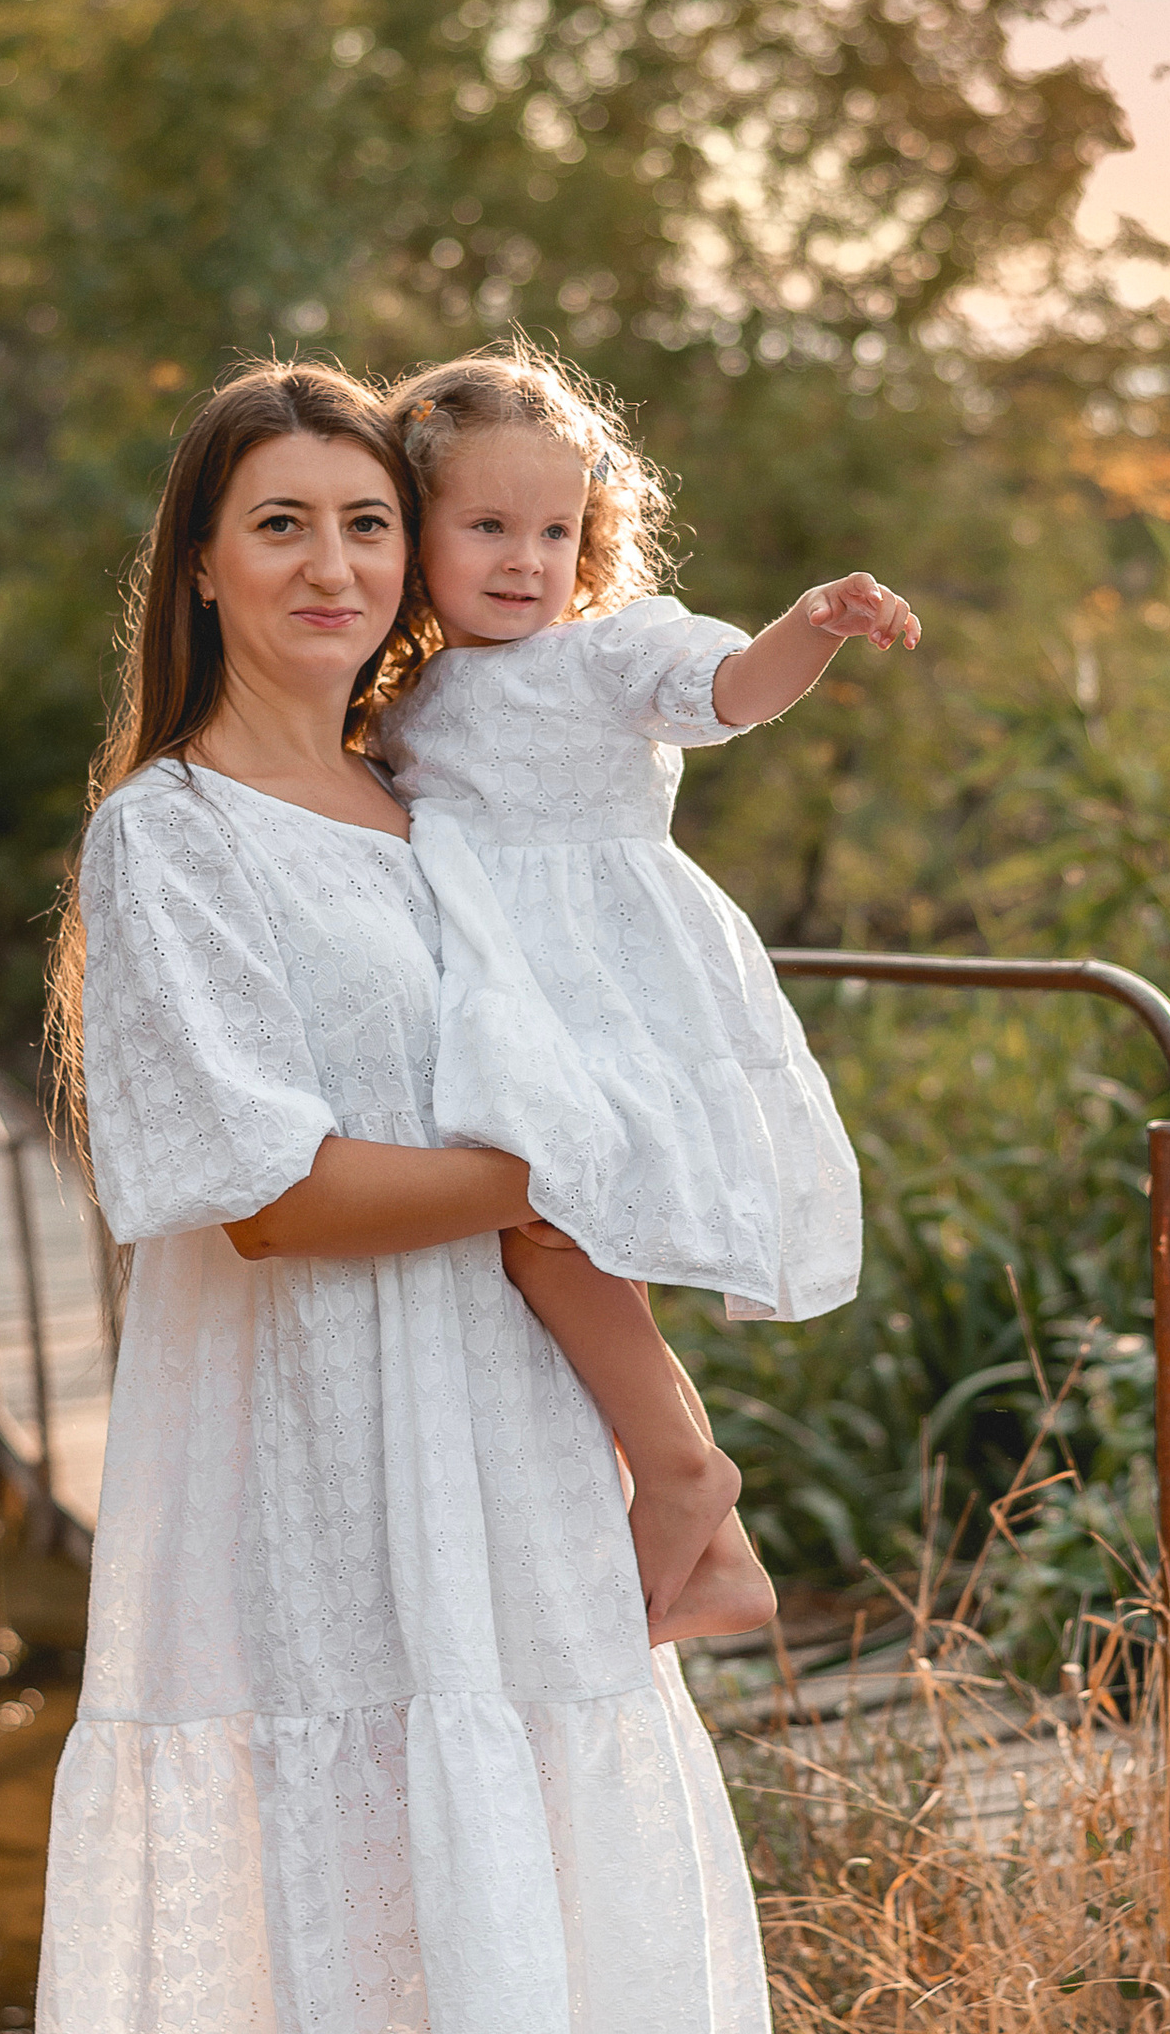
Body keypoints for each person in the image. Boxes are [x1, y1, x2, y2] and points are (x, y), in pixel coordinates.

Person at [29, 360, 777, 2034]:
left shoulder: (435, 802)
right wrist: (551, 1166)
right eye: (281, 526)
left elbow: (579, 1051)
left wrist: (658, 1406)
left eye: (367, 526)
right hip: (292, 1449)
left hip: (495, 1427)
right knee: (307, 1913)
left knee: (500, 1899)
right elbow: (259, 1188)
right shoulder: (165, 835)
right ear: (198, 564)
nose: (335, 568)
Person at [372, 344, 919, 1642]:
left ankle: (682, 1471)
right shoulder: (408, 694)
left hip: (605, 987)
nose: (525, 557)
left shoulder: (607, 654)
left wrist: (811, 628)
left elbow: (726, 692)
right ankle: (711, 1531)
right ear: (415, 536)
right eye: (487, 525)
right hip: (498, 990)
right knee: (542, 1232)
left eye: (555, 529)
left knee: (545, 1217)